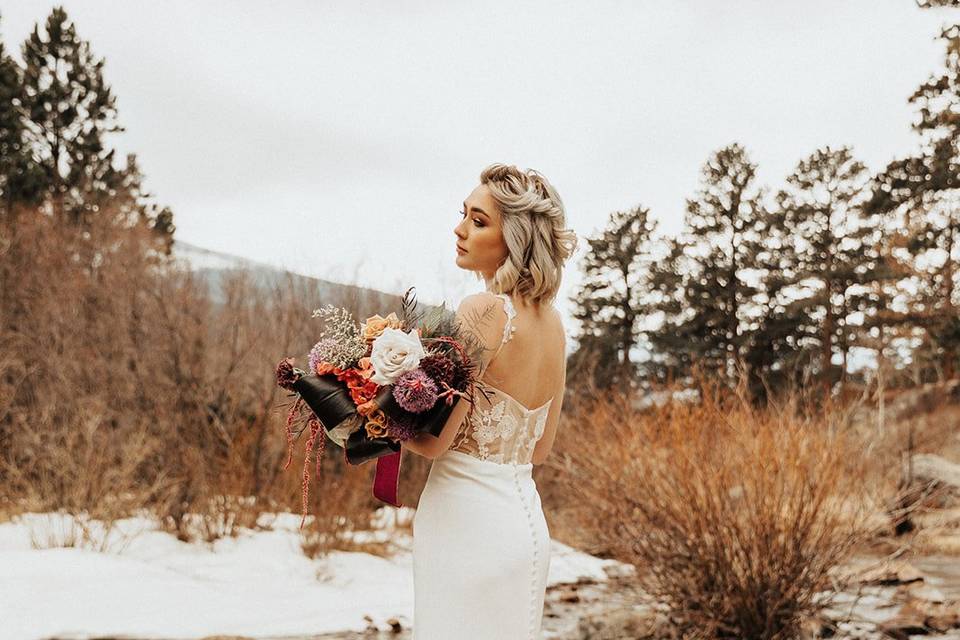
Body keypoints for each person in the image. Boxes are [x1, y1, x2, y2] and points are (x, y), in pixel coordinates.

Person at [401, 163, 578, 639]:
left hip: (466, 528)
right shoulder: (554, 324)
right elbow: (539, 451)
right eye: (463, 215)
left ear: (514, 238)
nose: (460, 229)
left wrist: (374, 416)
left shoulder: (482, 311)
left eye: (479, 221)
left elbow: (436, 442)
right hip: (524, 528)